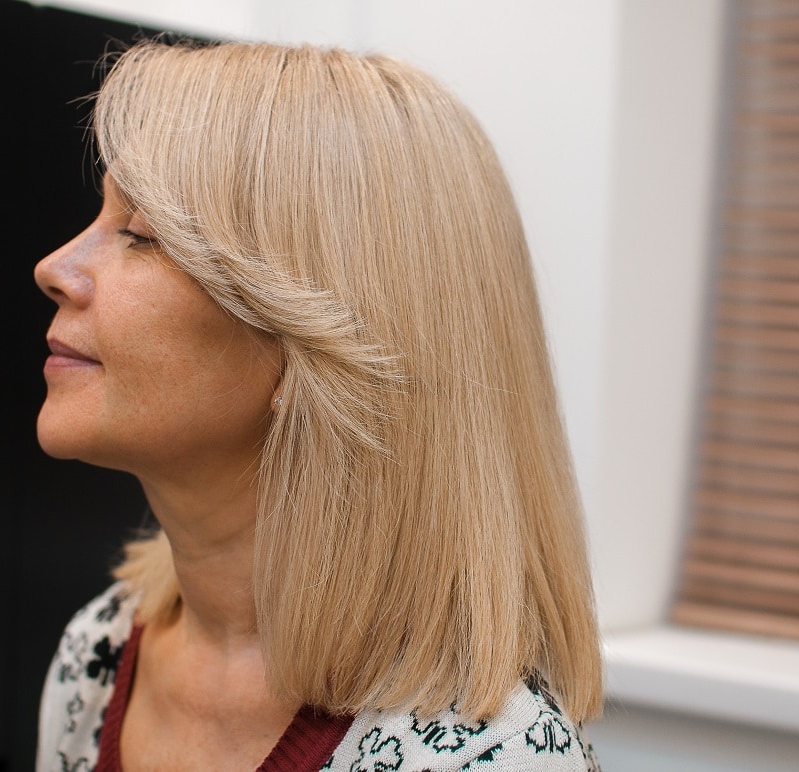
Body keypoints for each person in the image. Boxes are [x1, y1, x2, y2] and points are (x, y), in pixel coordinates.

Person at [34, 40, 603, 772]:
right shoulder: (100, 653)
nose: (54, 268)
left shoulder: (490, 757)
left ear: (308, 346)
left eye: (140, 235)